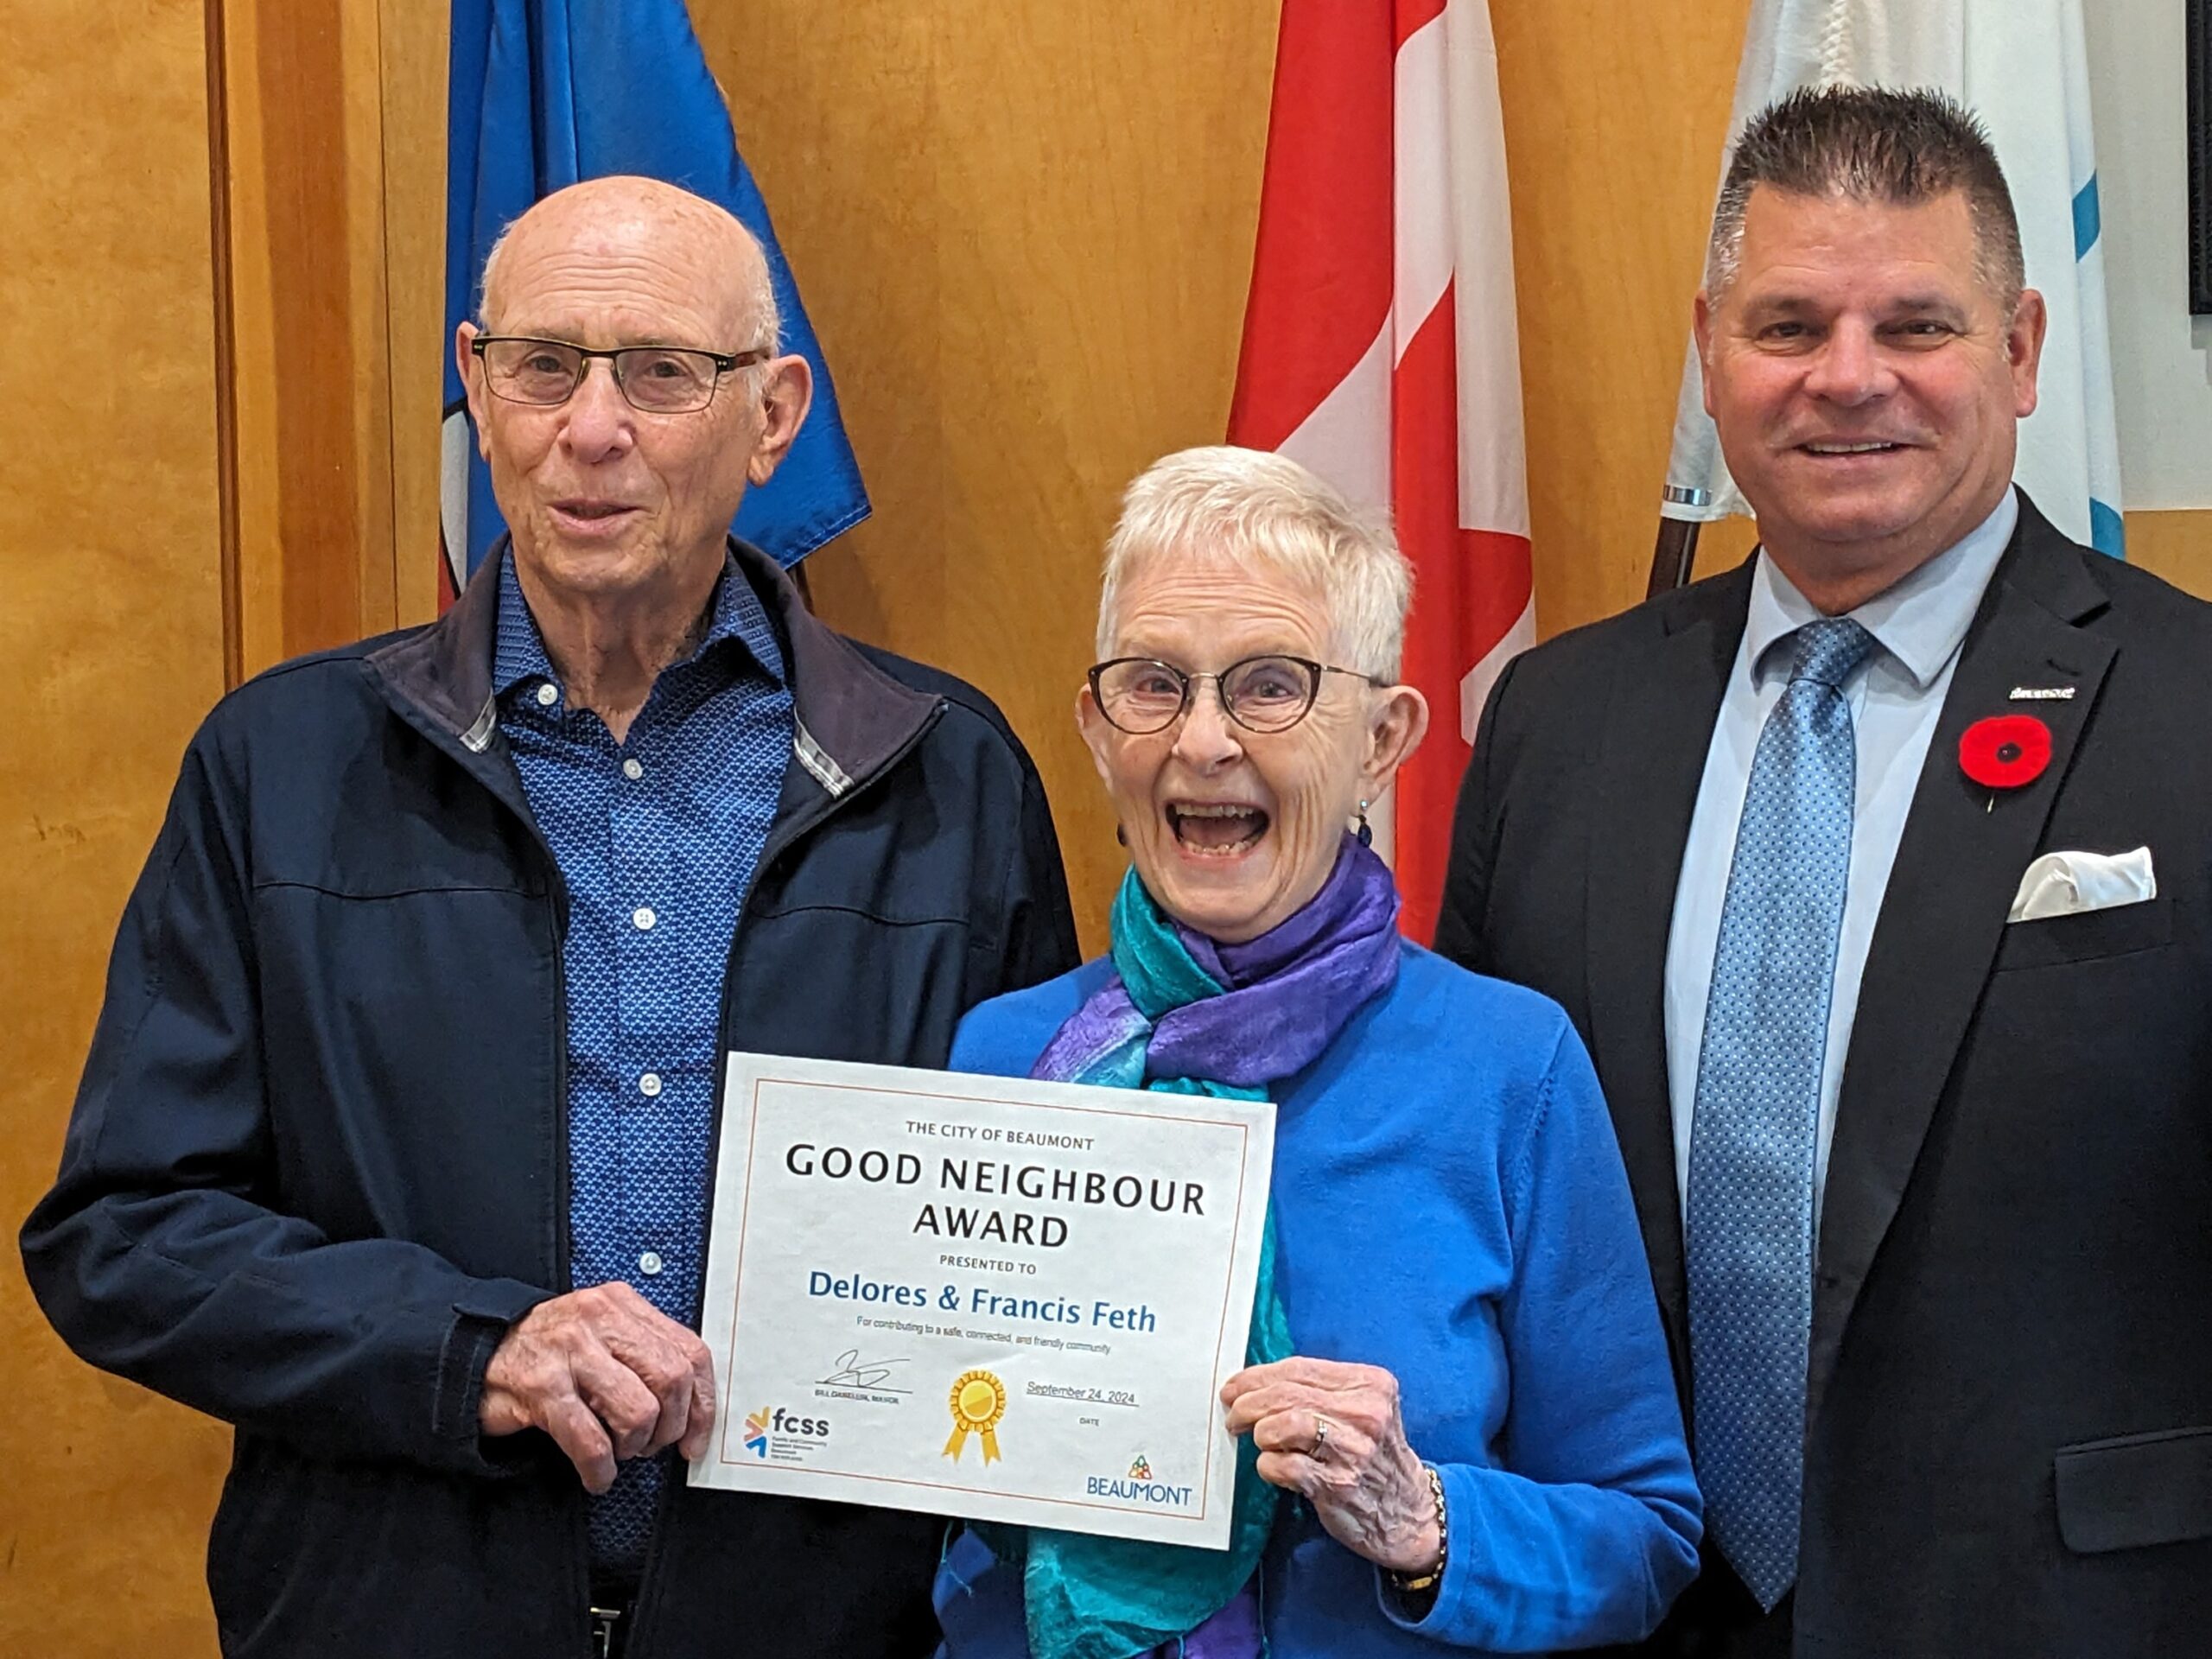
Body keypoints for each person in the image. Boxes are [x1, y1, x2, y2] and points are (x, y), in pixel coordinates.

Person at [20, 176, 1077, 1659]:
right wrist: (472, 1354)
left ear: (772, 417)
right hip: (389, 1616)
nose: (592, 429)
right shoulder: (281, 765)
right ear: (476, 388)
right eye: (543, 366)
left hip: (819, 1625)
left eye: (660, 374)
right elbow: (123, 1238)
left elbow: (1040, 1245)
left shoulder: (950, 777)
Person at [1437, 86, 2212, 1658]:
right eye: (1791, 323)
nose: (1848, 379)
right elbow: (1486, 1164)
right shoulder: (1559, 721)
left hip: (2068, 1612)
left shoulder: (2193, 705)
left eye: (1916, 323)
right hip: (1630, 1610)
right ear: (1712, 351)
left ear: (2020, 349)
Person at [931, 446, 1700, 1657]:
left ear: (1383, 738)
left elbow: (1644, 1538)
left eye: (1270, 686)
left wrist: (1426, 1520)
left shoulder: (1508, 1067)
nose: (1202, 742)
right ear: (1096, 728)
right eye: (1153, 685)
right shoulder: (1002, 1057)